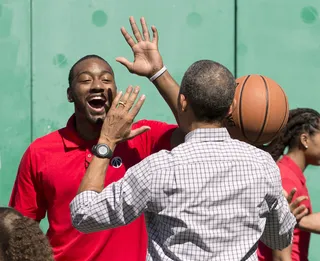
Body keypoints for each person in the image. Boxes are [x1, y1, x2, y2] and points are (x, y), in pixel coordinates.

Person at [70, 59, 296, 261]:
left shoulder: (158, 169)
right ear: (231, 108)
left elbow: (84, 215)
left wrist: (107, 140)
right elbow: (279, 240)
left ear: (183, 102)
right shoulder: (263, 165)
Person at [9, 17, 182, 261]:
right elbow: (20, 232)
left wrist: (157, 73)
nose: (97, 85)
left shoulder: (142, 137)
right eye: (86, 80)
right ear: (70, 94)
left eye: (106, 79)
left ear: (115, 90)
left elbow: (193, 125)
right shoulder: (40, 152)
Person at [258, 108, 320, 261]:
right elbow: (280, 257)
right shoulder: (287, 181)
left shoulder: (289, 174)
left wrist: (296, 221)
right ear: (304, 140)